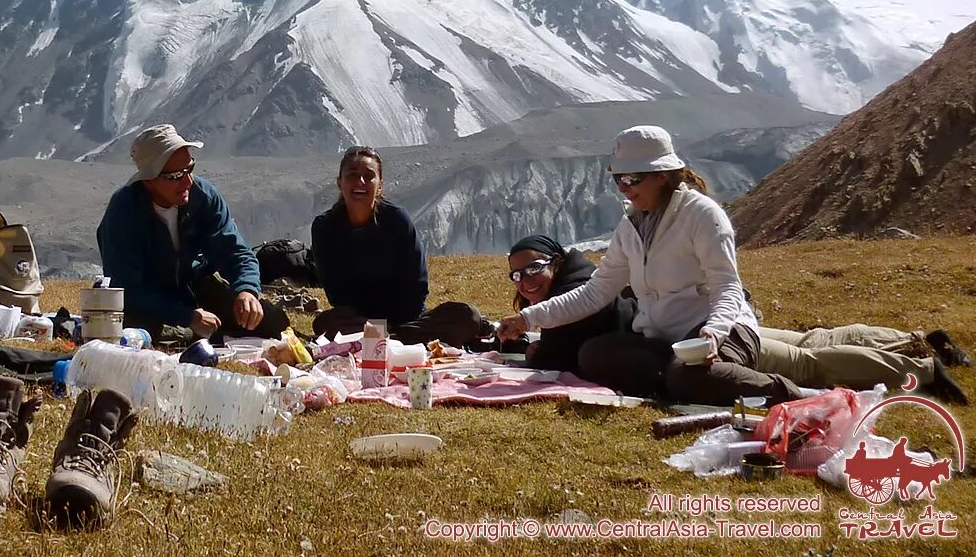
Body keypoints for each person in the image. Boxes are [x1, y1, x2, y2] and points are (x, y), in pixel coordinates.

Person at [499, 125, 802, 406]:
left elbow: (727, 286)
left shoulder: (702, 215)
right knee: (593, 355)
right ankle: (682, 383)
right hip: (667, 342)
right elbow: (595, 291)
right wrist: (528, 318)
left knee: (686, 374)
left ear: (662, 175)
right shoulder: (630, 225)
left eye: (632, 179)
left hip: (722, 331)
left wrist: (714, 332)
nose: (623, 188)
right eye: (618, 179)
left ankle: (786, 394)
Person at [96, 124, 289, 343]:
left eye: (189, 169)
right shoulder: (125, 210)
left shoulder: (203, 196)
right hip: (149, 303)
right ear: (149, 181)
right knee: (137, 333)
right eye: (175, 176)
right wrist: (187, 317)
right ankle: (195, 335)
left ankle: (202, 335)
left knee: (272, 322)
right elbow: (125, 289)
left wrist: (246, 290)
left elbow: (235, 251)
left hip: (196, 288)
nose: (187, 182)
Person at [311, 146, 487, 347]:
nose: (360, 182)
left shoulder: (396, 219)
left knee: (467, 316)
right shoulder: (325, 227)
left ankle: (382, 341)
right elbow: (336, 293)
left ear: (380, 185)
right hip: (360, 321)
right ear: (340, 183)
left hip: (405, 318)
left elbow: (417, 285)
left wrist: (392, 322)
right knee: (324, 324)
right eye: (352, 175)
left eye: (368, 177)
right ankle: (395, 341)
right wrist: (373, 323)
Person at [505, 234, 636, 373]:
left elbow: (553, 361)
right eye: (517, 275)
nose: (526, 280)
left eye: (534, 268)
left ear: (555, 263)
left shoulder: (574, 288)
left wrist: (538, 353)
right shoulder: (566, 281)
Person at [756, 324, 969, 404]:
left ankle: (923, 371)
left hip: (728, 337)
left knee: (803, 364)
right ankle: (919, 341)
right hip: (733, 323)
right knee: (817, 340)